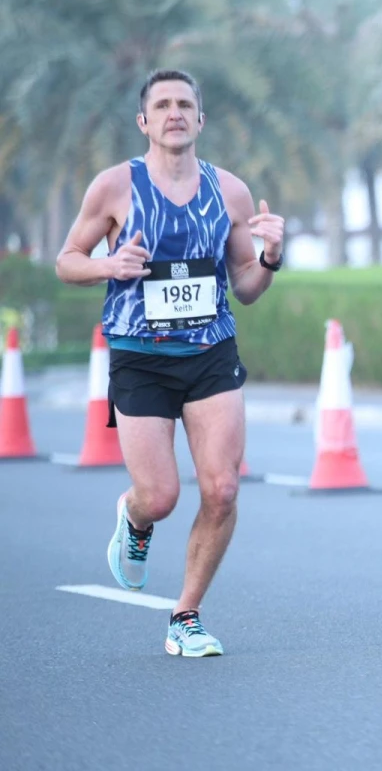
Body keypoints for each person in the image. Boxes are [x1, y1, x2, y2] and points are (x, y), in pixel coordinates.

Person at [54, 69, 286, 657]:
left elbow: (247, 286)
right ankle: (134, 520)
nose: (175, 112)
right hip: (140, 357)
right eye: (163, 105)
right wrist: (110, 266)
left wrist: (271, 256)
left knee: (224, 488)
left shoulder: (228, 191)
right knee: (159, 496)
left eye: (185, 104)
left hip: (211, 353)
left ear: (201, 120)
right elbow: (67, 260)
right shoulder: (114, 187)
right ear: (145, 122)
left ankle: (186, 615)